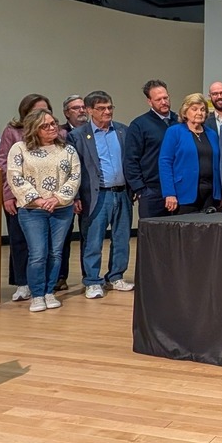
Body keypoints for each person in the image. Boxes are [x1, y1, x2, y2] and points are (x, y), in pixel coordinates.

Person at [6, 109, 80, 312]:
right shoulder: (19, 149)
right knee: (38, 253)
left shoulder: (67, 149)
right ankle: (37, 295)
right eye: (45, 125)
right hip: (32, 210)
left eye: (53, 123)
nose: (52, 127)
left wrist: (57, 198)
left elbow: (74, 176)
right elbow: (15, 177)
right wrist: (38, 200)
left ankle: (49, 292)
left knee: (55, 253)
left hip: (61, 209)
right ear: (34, 129)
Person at [67, 91, 134, 299]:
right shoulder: (78, 135)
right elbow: (73, 169)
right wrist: (76, 196)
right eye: (102, 108)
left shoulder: (123, 131)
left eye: (110, 107)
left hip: (122, 193)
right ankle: (93, 281)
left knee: (122, 238)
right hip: (95, 196)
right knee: (93, 240)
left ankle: (115, 276)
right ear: (89, 111)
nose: (107, 112)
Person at [0, 94, 55, 302]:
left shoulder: (54, 134)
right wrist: (7, 195)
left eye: (46, 111)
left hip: (48, 198)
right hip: (18, 197)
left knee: (46, 245)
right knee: (20, 240)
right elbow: (5, 166)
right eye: (35, 111)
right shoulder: (13, 132)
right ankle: (22, 284)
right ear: (25, 112)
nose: (41, 115)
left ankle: (44, 284)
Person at [159, 93, 221, 214]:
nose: (200, 112)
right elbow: (165, 163)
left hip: (210, 195)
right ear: (185, 112)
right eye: (194, 109)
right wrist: (169, 193)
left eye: (203, 109)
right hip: (184, 194)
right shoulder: (174, 132)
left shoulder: (212, 134)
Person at [124, 79, 177, 219]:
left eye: (165, 98)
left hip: (178, 188)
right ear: (149, 101)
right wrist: (140, 189)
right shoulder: (139, 125)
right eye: (158, 99)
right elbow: (131, 160)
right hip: (152, 191)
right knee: (152, 236)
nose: (163, 102)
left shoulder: (180, 121)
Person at [57, 94, 88, 290]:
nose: (81, 110)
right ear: (67, 113)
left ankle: (89, 276)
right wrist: (73, 195)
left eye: (83, 107)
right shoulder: (59, 133)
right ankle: (60, 277)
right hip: (67, 193)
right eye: (76, 108)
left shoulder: (93, 131)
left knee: (88, 236)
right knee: (63, 237)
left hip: (91, 190)